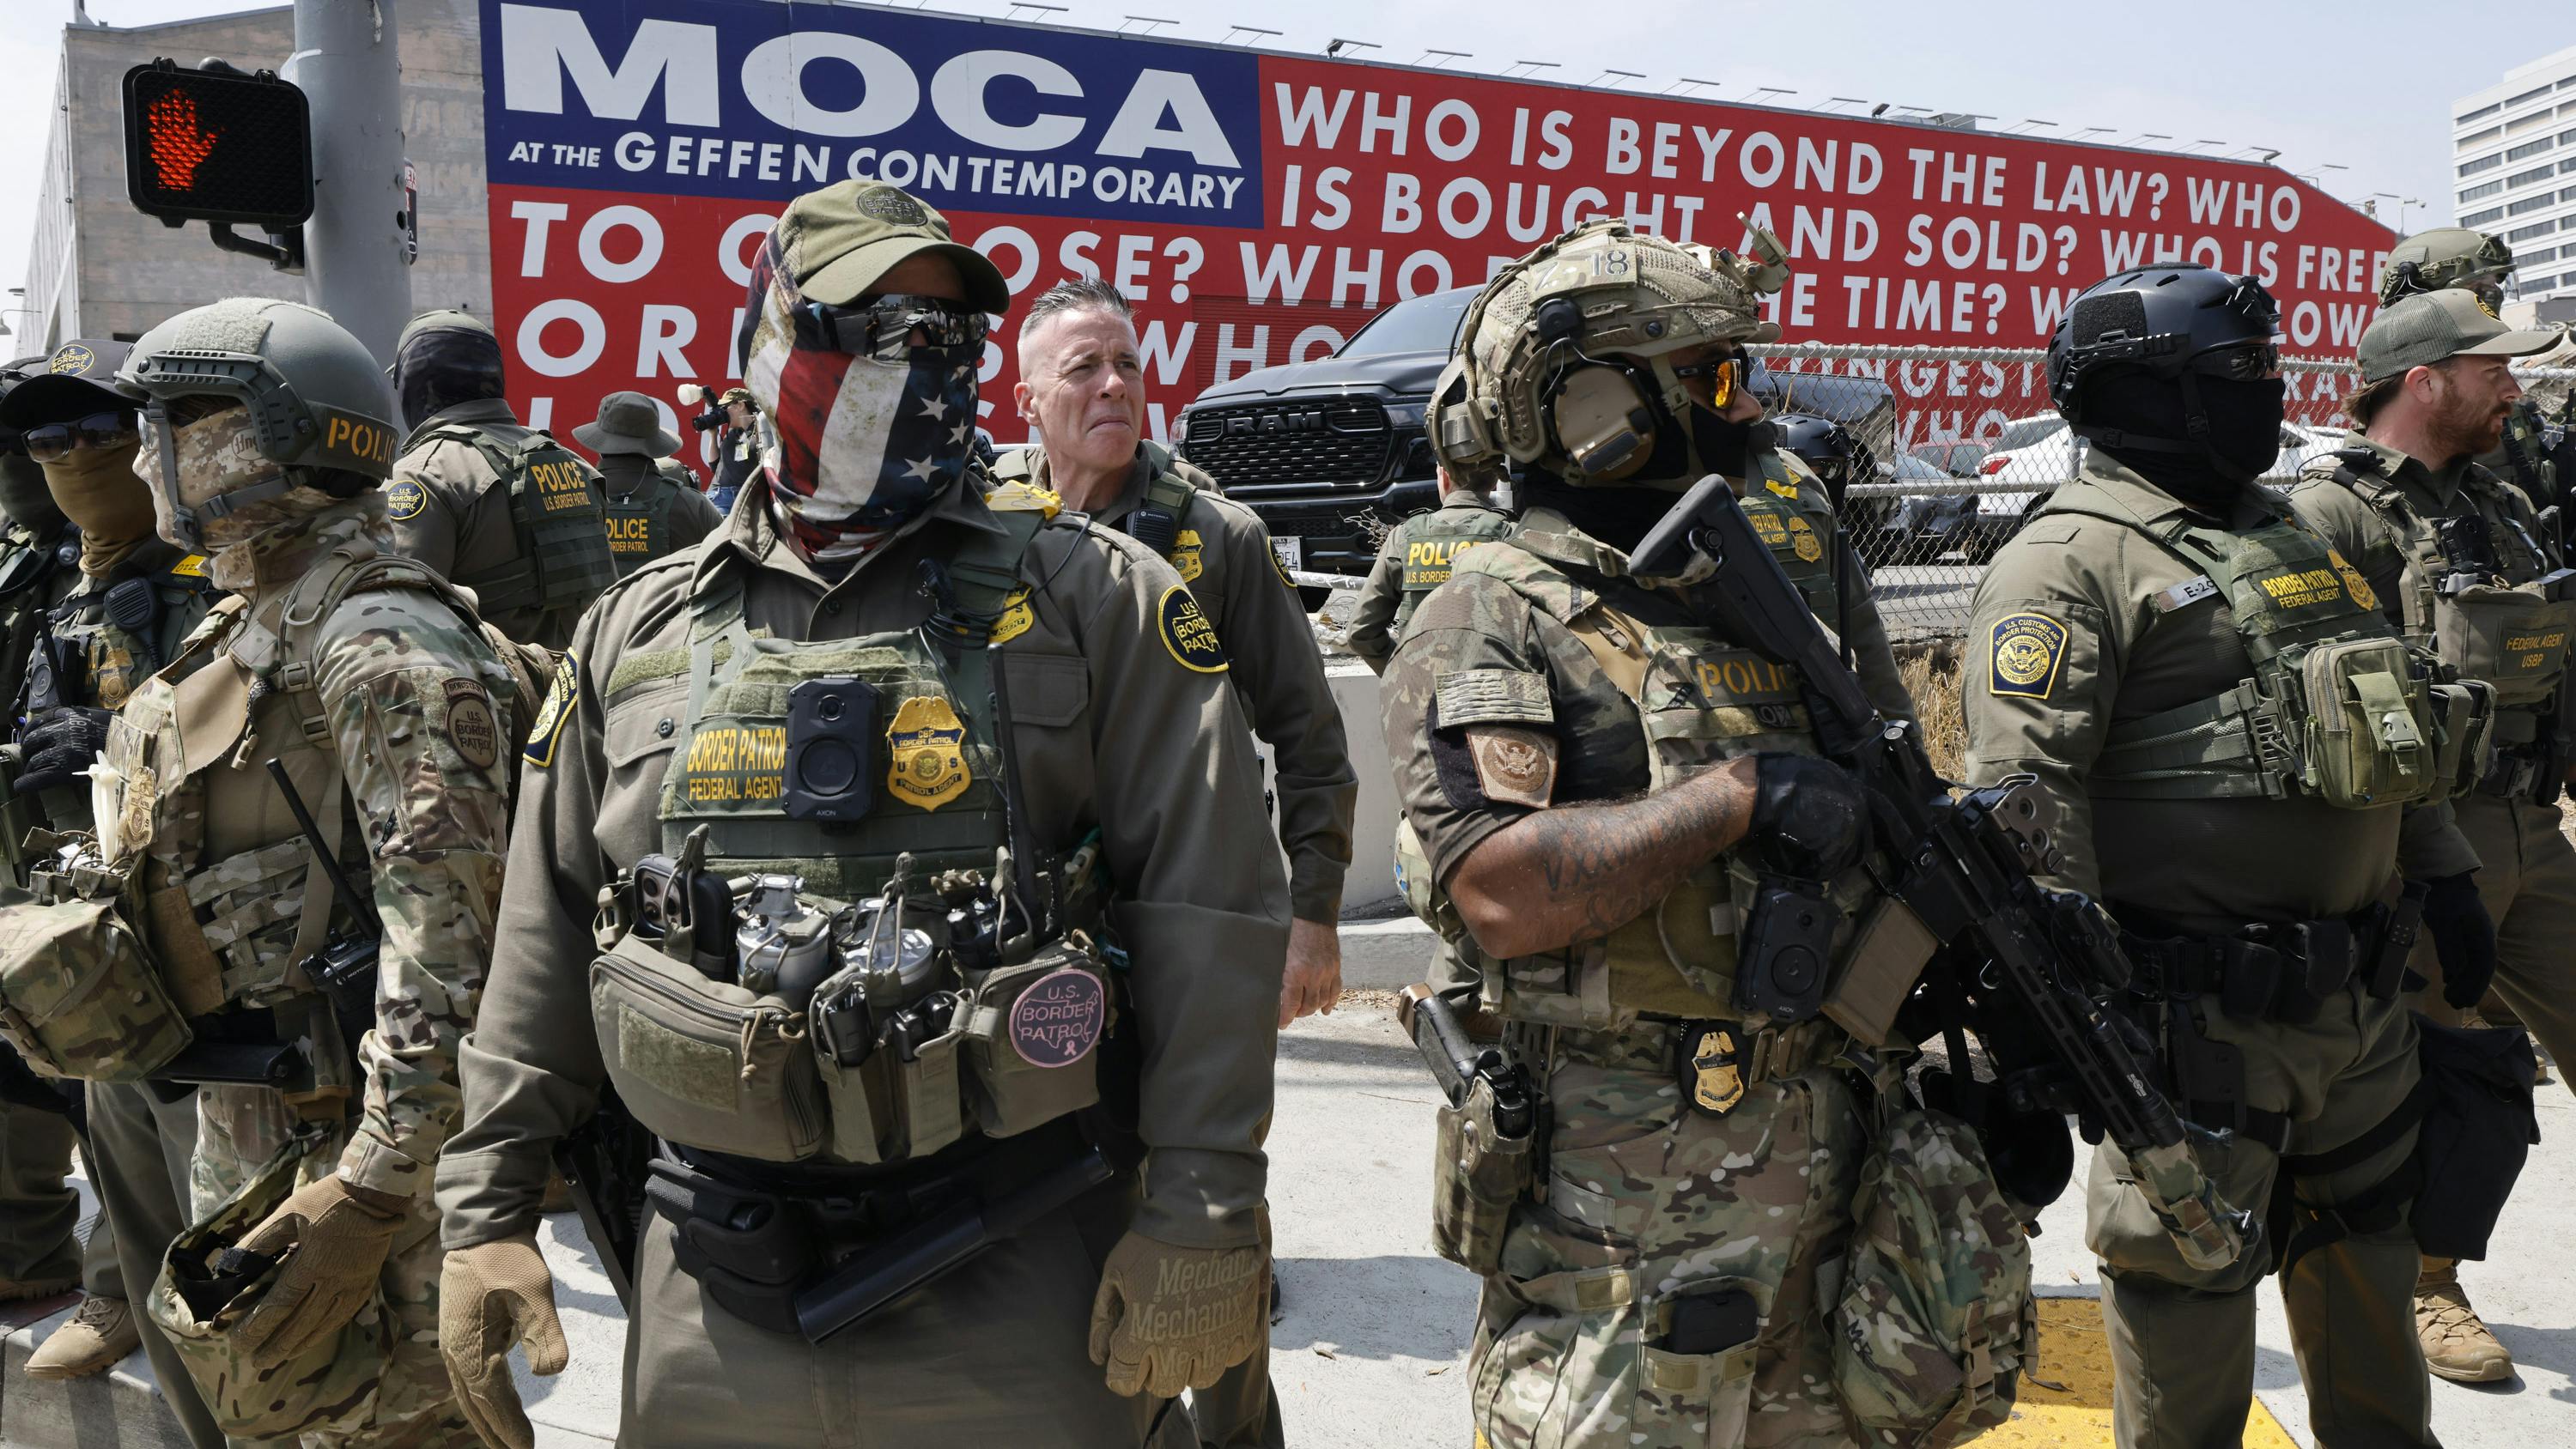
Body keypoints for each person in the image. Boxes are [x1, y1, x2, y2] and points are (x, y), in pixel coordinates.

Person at [432, 181, 1287, 1449]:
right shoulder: (640, 626)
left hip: (1023, 1254)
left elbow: (1210, 914)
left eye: (947, 340)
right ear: (771, 345)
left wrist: (1206, 1213)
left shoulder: (1096, 601)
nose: (917, 370)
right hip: (711, 1279)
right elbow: (550, 924)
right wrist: (486, 1207)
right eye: (871, 330)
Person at [1382, 219, 1956, 1448]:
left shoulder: (1776, 594)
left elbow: (1902, 821)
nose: (1748, 404)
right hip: (1620, 1218)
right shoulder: (1490, 617)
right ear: (1600, 409)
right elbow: (1498, 891)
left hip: (1831, 1184)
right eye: (1712, 377)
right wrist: (1733, 798)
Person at [1963, 264, 2490, 1449]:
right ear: (2151, 394)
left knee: (2368, 1275)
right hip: (2189, 1036)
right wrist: (2062, 1023)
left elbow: (2383, 717)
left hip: (2356, 1011)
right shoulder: (2069, 564)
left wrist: (2445, 868)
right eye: (2240, 374)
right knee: (2188, 1311)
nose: (2271, 393)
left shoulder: (2290, 531)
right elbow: (2023, 807)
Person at [0, 296, 517, 1446]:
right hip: (232, 1109)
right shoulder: (254, 615)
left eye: (172, 424)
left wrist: (377, 1186)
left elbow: (449, 946)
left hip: (336, 1146)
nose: (142, 457)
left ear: (264, 438)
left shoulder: (381, 641)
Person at [2285, 288, 2568, 1385]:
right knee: (2437, 1068)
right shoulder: (2333, 516)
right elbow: (2338, 700)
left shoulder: (2498, 500)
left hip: (2531, 822)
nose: (2516, 385)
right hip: (2423, 840)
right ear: (2424, 381)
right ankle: (2428, 1283)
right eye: (2495, 368)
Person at [998, 276, 1357, 1028]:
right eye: (1083, 368)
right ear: (1026, 401)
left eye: (1128, 365)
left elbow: (1310, 734)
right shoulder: (984, 532)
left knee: (1192, 1130)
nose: (1113, 386)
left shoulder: (1223, 539)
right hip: (1023, 912)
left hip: (1189, 905)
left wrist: (1315, 917)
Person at [0, 341, 221, 1430]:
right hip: (84, 922)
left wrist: (113, 735)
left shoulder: (210, 571)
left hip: (197, 930)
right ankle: (117, 1289)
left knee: (204, 1183)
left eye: (98, 432)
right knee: (102, 1112)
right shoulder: (60, 581)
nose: (75, 456)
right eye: (49, 439)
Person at [0, 358, 90, 1343]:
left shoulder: (138, 559)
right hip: (16, 846)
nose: (41, 462)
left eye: (71, 439)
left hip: (88, 853)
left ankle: (113, 1272)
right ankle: (26, 1256)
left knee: (93, 1068)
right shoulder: (22, 553)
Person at [384, 309, 617, 649]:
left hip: (502, 694)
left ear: (414, 384)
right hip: (586, 687)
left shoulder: (424, 474)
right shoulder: (575, 464)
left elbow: (404, 623)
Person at [1344, 445, 1514, 674]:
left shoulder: (1403, 538)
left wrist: (1402, 673)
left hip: (1420, 695)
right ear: (1495, 482)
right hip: (1489, 695)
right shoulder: (1512, 536)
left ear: (1444, 476)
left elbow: (1360, 631)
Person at [574, 390, 722, 577]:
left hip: (590, 606)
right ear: (653, 442)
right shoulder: (694, 506)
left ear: (602, 444)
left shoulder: (569, 502)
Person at [705, 385, 762, 515]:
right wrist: (713, 435)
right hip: (718, 495)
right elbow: (714, 465)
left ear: (740, 405)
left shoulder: (761, 430)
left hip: (744, 497)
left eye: (726, 408)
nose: (722, 412)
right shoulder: (733, 433)